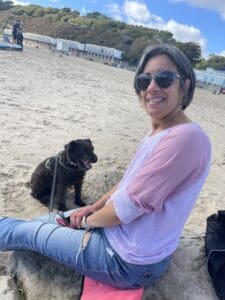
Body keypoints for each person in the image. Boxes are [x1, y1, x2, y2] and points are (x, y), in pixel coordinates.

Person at [0, 44, 211, 289]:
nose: (152, 87)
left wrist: (85, 222)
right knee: (38, 222)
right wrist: (94, 206)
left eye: (164, 79)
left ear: (185, 86)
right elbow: (129, 181)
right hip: (117, 236)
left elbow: (126, 209)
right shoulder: (160, 133)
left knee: (23, 233)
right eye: (144, 80)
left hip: (127, 261)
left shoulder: (186, 138)